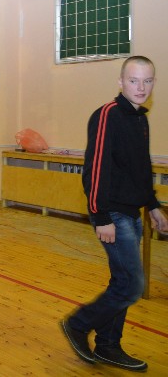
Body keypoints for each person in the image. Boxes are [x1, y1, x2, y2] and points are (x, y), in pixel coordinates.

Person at [61, 56, 168, 372]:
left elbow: (140, 168)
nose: (141, 87)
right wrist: (101, 217)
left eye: (147, 81)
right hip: (113, 215)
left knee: (122, 282)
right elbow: (94, 170)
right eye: (134, 80)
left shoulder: (140, 119)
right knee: (132, 286)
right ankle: (78, 324)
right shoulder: (107, 115)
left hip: (133, 213)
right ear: (121, 82)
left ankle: (108, 345)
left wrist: (152, 205)